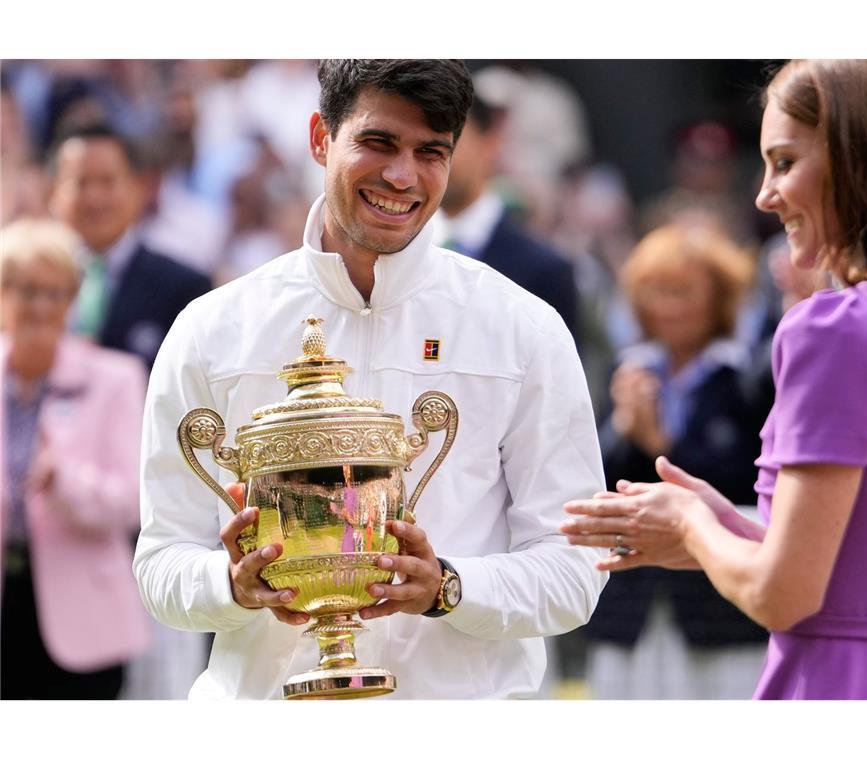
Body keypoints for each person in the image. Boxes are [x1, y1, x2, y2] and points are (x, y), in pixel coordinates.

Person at [561, 59, 867, 699]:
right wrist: (725, 532)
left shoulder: (836, 328)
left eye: (785, 162)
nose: (764, 194)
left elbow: (783, 595)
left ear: (861, 162)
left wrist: (689, 523)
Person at [132, 59, 607, 700]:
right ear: (320, 138)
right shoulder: (214, 328)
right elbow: (162, 561)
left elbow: (576, 566)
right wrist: (232, 585)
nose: (401, 176)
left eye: (430, 151)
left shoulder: (522, 327)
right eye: (378, 142)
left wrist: (447, 587)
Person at [584, 223, 770, 699]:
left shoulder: (746, 378)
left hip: (719, 603)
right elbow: (592, 477)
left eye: (682, 291)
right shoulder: (627, 371)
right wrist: (626, 429)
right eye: (655, 292)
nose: (667, 306)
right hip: (632, 600)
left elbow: (749, 481)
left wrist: (663, 444)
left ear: (718, 297)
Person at [1, 218, 151, 699]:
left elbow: (131, 502)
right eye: (27, 290)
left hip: (83, 620)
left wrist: (63, 481)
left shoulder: (116, 378)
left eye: (56, 292)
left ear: (74, 299)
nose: (41, 306)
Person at [46, 122, 213, 369]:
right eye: (80, 182)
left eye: (107, 181)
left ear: (138, 188)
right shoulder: (29, 284)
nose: (94, 198)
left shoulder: (184, 289)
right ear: (53, 192)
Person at [435, 91, 579, 342]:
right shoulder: (393, 252)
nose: (433, 155)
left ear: (490, 143)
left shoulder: (545, 269)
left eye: (449, 140)